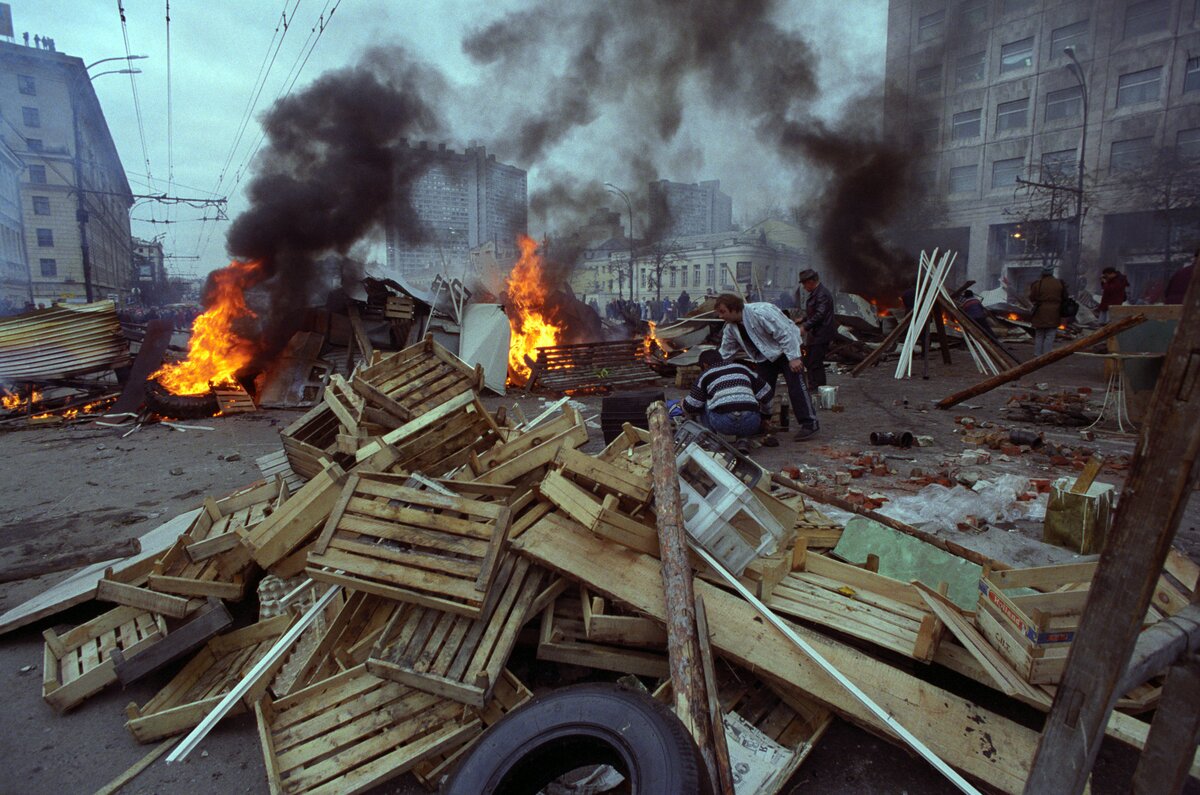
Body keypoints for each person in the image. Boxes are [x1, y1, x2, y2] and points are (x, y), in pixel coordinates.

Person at [714, 292, 819, 440]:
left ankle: (810, 423)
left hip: (785, 351)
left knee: (796, 387)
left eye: (723, 312)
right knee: (762, 390)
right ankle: (762, 423)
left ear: (734, 308)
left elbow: (786, 333)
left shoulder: (761, 312)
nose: (720, 316)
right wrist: (717, 371)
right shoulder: (731, 328)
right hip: (764, 356)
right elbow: (727, 351)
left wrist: (794, 357)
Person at [683, 349, 773, 449]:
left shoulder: (705, 375)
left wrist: (683, 403)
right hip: (751, 423)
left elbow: (692, 405)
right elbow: (767, 392)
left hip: (723, 423)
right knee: (747, 401)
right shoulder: (742, 368)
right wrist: (766, 416)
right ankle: (743, 441)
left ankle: (712, 441)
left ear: (705, 365)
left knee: (702, 402)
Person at [796, 268, 836, 389]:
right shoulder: (817, 293)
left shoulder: (821, 294)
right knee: (809, 360)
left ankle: (819, 386)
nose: (803, 287)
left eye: (804, 283)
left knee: (815, 362)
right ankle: (814, 385)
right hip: (817, 333)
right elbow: (815, 312)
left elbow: (820, 315)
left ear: (811, 282)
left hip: (821, 334)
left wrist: (805, 326)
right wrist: (803, 319)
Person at [1028, 264, 1064, 358]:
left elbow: (1032, 297)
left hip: (1041, 310)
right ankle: (1047, 354)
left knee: (1039, 334)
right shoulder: (1059, 283)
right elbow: (1064, 297)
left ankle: (1037, 354)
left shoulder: (1038, 284)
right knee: (1050, 334)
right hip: (1055, 311)